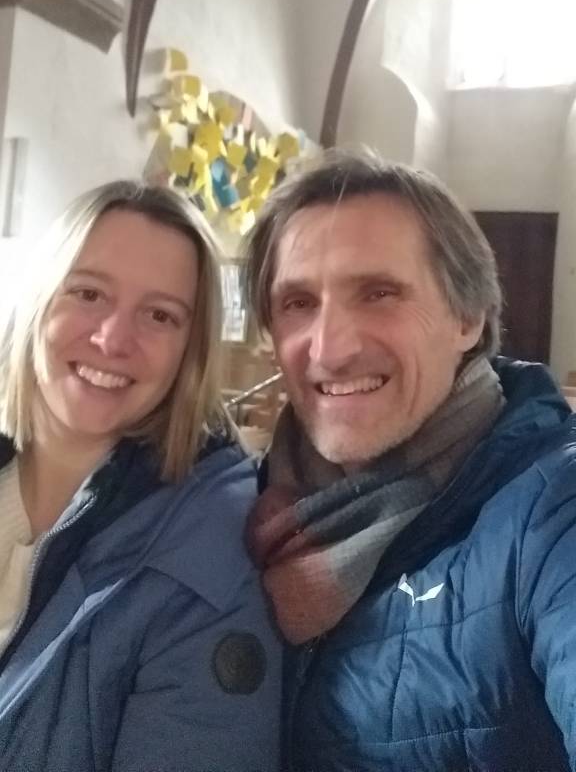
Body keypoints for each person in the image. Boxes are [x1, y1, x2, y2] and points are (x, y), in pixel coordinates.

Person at [245, 147, 576, 772]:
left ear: (467, 317)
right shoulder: (249, 509)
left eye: (378, 293)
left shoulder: (552, 507)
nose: (330, 349)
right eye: (298, 303)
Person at [0, 180, 281, 772]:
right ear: (40, 298)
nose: (112, 339)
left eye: (159, 315)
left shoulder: (213, 558)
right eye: (88, 293)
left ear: (189, 351)